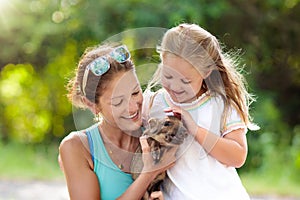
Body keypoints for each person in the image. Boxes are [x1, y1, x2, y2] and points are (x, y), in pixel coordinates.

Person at [143, 23, 258, 200]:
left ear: (206, 71)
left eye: (185, 81)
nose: (174, 86)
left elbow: (238, 156)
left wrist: (194, 128)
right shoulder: (153, 103)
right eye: (168, 76)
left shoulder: (220, 104)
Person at [59, 43, 174, 200]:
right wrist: (149, 173)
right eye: (118, 101)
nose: (133, 107)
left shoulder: (156, 133)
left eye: (135, 92)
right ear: (92, 105)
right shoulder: (77, 147)